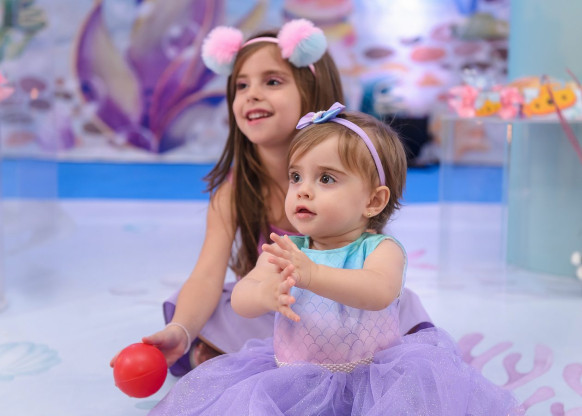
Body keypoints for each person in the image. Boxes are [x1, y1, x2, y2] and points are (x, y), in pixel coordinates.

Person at [148, 104, 522, 415]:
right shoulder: (287, 248)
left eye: (326, 179)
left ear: (373, 201)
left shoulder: (380, 249)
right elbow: (243, 297)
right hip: (294, 379)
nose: (303, 190)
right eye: (296, 177)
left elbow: (378, 291)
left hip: (371, 381)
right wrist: (263, 295)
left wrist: (313, 274)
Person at [112, 19, 432, 377]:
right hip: (280, 310)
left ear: (311, 91)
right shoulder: (234, 191)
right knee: (225, 300)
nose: (251, 94)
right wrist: (182, 330)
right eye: (241, 85)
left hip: (347, 313)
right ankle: (227, 351)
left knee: (400, 306)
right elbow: (206, 276)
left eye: (272, 81)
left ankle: (226, 354)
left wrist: (317, 275)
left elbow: (371, 274)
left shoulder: (353, 173)